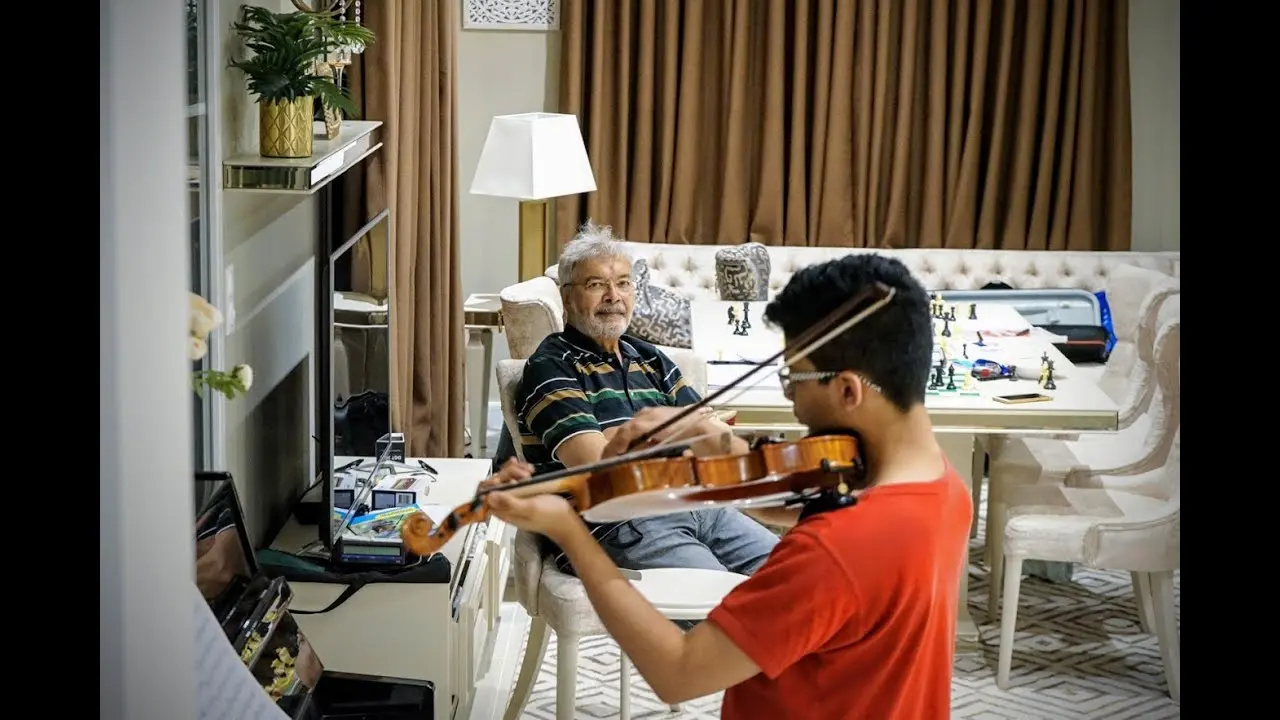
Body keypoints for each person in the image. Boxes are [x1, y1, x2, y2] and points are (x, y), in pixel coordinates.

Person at [485, 253, 972, 718]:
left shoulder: (833, 550)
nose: (795, 405)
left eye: (794, 380)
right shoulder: (944, 488)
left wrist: (568, 529)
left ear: (848, 390)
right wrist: (715, 440)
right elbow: (801, 499)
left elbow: (678, 671)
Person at [504, 222, 779, 577]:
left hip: (698, 505)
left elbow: (708, 438)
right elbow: (597, 464)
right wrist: (682, 430)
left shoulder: (649, 358)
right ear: (567, 297)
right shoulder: (552, 365)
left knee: (798, 575)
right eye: (596, 285)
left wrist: (676, 432)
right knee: (722, 605)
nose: (613, 296)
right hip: (620, 521)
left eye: (623, 283)